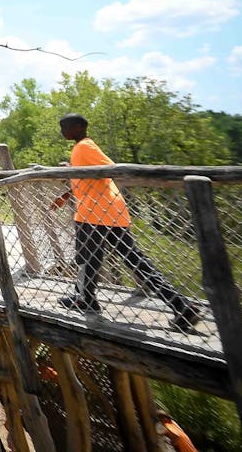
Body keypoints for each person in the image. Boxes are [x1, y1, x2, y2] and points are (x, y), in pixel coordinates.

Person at [48, 114, 200, 333]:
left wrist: (71, 168)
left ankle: (85, 298)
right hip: (109, 211)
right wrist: (71, 172)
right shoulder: (83, 148)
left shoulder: (84, 146)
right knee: (129, 260)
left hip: (94, 214)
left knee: (85, 259)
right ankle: (180, 306)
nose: (62, 129)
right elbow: (91, 176)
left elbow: (110, 168)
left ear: (79, 127)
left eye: (65, 126)